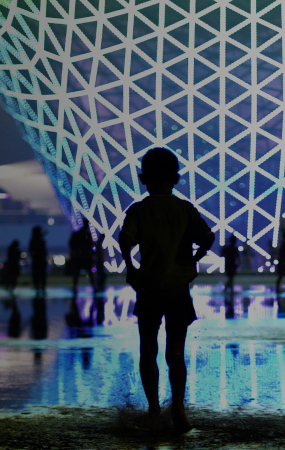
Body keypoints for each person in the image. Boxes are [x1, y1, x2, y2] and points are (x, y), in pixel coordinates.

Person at [118, 147, 214, 432]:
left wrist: (130, 266)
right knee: (176, 352)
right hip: (177, 290)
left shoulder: (138, 210)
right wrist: (195, 259)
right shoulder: (184, 209)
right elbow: (208, 237)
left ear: (143, 178)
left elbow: (126, 238)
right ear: (175, 178)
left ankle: (153, 410)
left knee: (148, 349)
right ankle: (179, 411)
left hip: (149, 290)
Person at [69, 222, 94, 289]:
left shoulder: (77, 234)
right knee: (90, 273)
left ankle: (74, 287)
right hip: (85, 257)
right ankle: (94, 286)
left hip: (78, 257)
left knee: (77, 273)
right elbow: (90, 245)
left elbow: (71, 244)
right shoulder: (87, 234)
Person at [28, 226, 49, 295]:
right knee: (41, 275)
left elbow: (30, 251)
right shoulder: (40, 240)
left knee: (37, 275)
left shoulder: (34, 240)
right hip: (40, 260)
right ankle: (41, 288)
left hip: (36, 260)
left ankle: (38, 288)